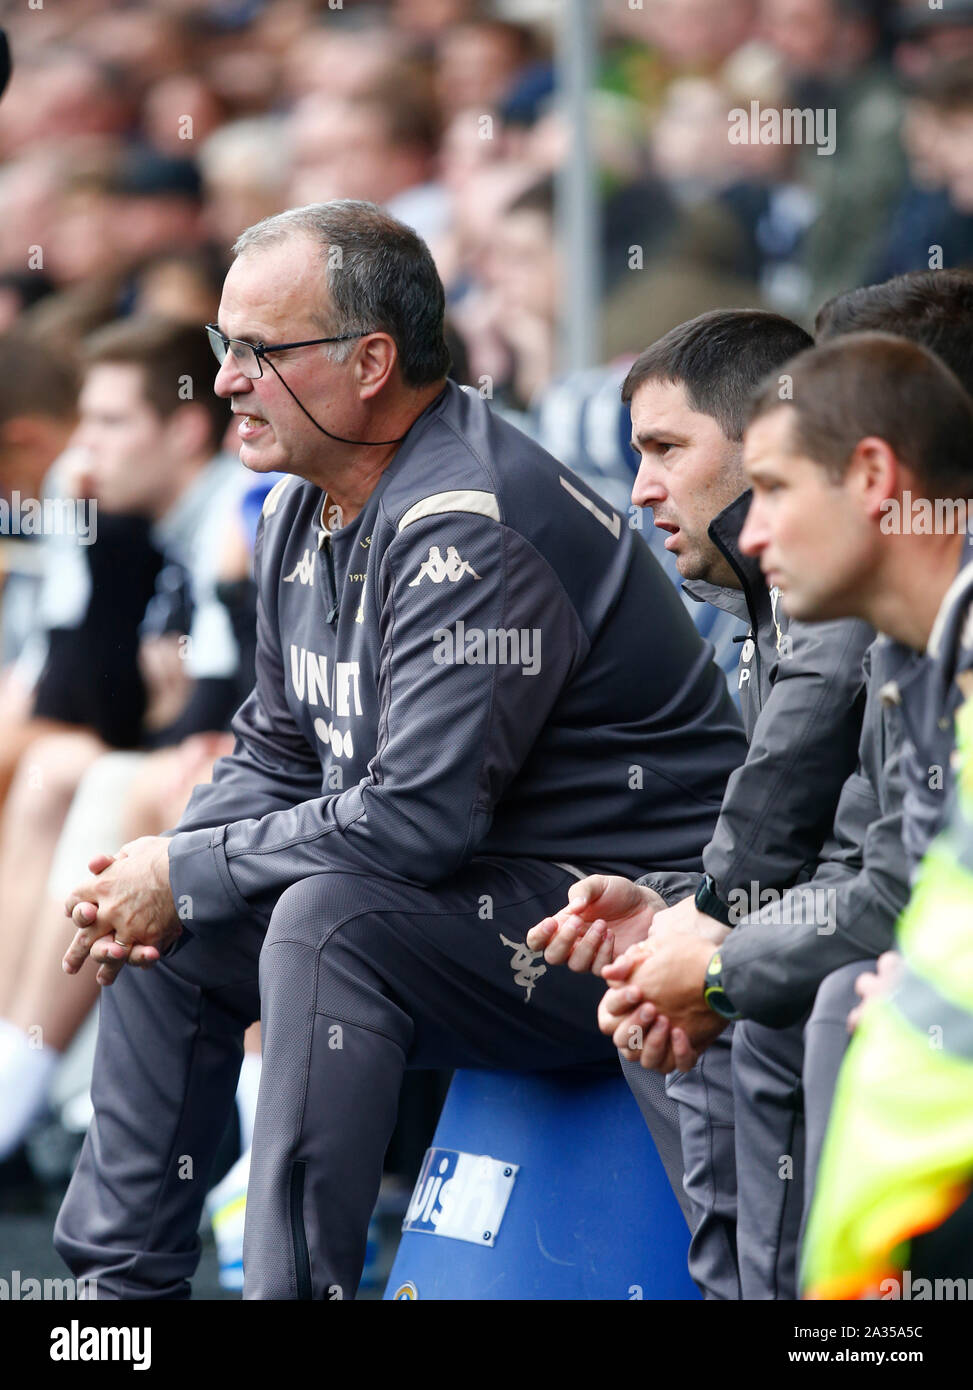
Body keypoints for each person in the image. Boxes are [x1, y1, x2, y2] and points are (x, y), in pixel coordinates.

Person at [53, 200, 747, 1300]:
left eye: (257, 351)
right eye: (219, 348)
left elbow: (415, 822)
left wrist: (186, 871)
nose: (226, 379)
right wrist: (161, 876)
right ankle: (116, 1303)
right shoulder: (299, 506)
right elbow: (278, 754)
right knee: (172, 936)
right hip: (480, 901)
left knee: (326, 920)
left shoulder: (467, 522)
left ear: (371, 361)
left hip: (619, 925)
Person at [530, 307, 872, 1299]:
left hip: (905, 973)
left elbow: (879, 869)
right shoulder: (767, 613)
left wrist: (715, 933)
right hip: (868, 936)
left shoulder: (849, 607)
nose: (639, 491)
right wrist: (673, 910)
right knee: (656, 965)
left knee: (740, 991)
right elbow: (817, 858)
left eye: (665, 449)